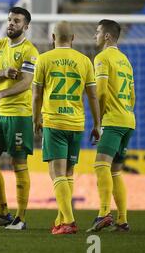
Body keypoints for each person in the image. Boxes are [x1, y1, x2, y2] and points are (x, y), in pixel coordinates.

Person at [32, 21, 101, 235]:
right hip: (77, 123)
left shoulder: (43, 59)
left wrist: (35, 119)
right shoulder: (84, 61)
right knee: (68, 173)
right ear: (73, 38)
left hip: (54, 122)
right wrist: (97, 123)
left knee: (56, 173)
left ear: (53, 37)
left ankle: (69, 221)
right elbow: (92, 95)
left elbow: (36, 94)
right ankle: (61, 218)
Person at [0, 7, 39, 230]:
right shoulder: (0, 45)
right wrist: (4, 72)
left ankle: (21, 218)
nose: (11, 24)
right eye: (9, 20)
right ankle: (2, 213)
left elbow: (26, 82)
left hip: (19, 115)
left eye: (16, 20)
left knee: (18, 163)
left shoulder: (30, 51)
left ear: (26, 26)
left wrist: (2, 92)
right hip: (0, 114)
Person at [86, 19, 135, 233]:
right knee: (115, 171)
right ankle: (122, 220)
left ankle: (103, 213)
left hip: (113, 121)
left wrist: (98, 121)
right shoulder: (125, 60)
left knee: (100, 165)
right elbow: (132, 96)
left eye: (97, 32)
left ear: (107, 36)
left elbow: (102, 92)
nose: (94, 36)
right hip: (128, 119)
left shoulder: (102, 58)